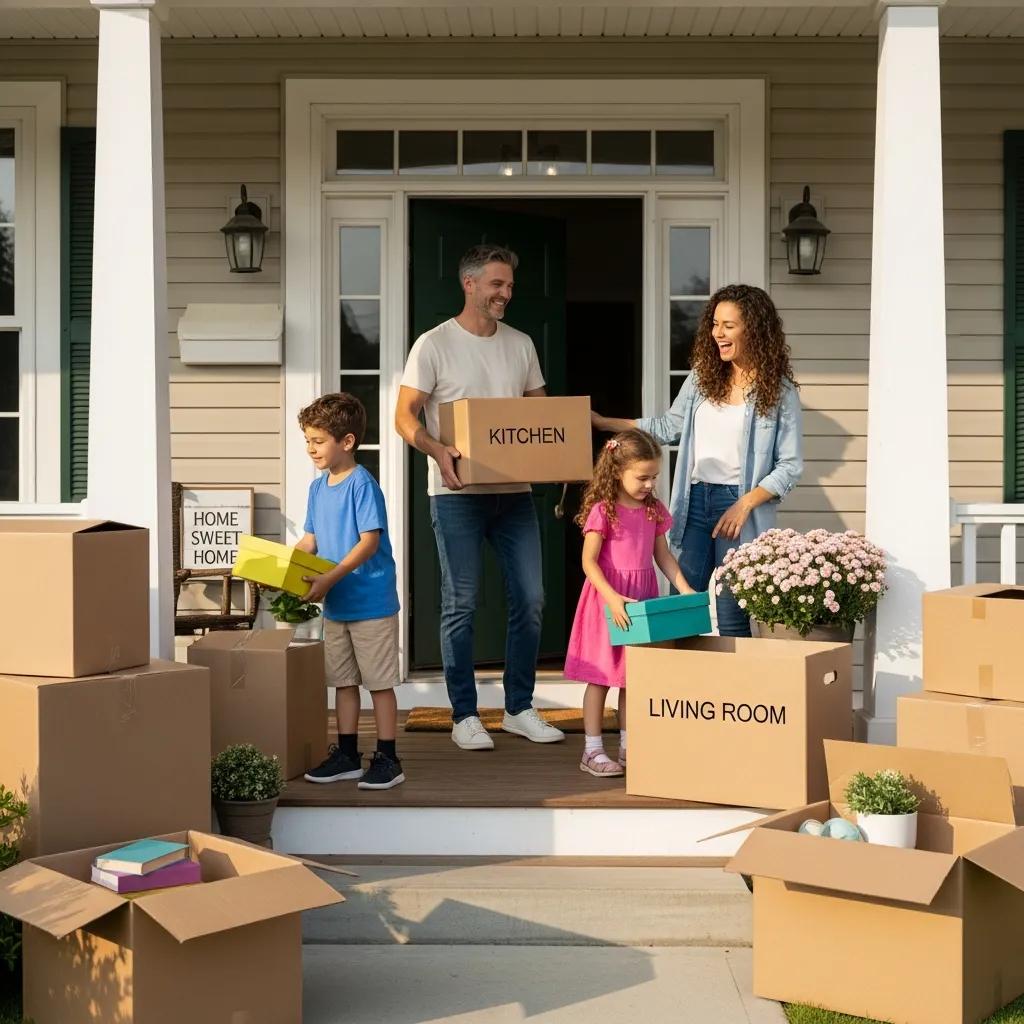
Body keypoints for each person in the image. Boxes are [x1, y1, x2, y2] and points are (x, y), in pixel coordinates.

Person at [395, 244, 565, 751]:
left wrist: (560, 454)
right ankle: (464, 715)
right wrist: (437, 450)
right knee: (462, 603)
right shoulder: (433, 344)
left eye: (509, 285)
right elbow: (404, 417)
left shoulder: (521, 344)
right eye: (496, 284)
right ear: (468, 284)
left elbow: (541, 418)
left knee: (531, 600)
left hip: (514, 495)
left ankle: (518, 708)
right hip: (458, 496)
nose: (505, 293)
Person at [592, 284, 802, 638]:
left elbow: (790, 465)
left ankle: (734, 677)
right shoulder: (702, 379)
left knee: (731, 610)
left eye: (729, 325)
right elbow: (667, 427)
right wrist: (603, 423)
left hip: (739, 507)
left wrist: (744, 505)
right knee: (682, 604)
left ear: (754, 329)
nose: (718, 333)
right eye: (715, 324)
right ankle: (682, 675)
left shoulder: (779, 391)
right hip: (695, 500)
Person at [564, 429, 694, 778]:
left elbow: (662, 555)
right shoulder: (603, 510)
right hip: (608, 601)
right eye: (642, 477)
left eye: (654, 477)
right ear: (617, 471)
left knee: (632, 676)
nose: (650, 484)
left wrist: (683, 588)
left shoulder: (653, 510)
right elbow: (588, 561)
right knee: (600, 677)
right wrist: (612, 598)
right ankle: (592, 750)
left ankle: (628, 745)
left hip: (641, 601)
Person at [296, 393, 405, 791]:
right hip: (337, 604)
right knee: (343, 682)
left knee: (378, 684)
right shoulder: (317, 489)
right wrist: (285, 568)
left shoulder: (362, 484)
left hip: (371, 603)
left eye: (318, 441)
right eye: (307, 440)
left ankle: (389, 758)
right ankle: (347, 756)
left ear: (346, 441)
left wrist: (330, 577)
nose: (311, 449)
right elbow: (310, 540)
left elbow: (368, 542)